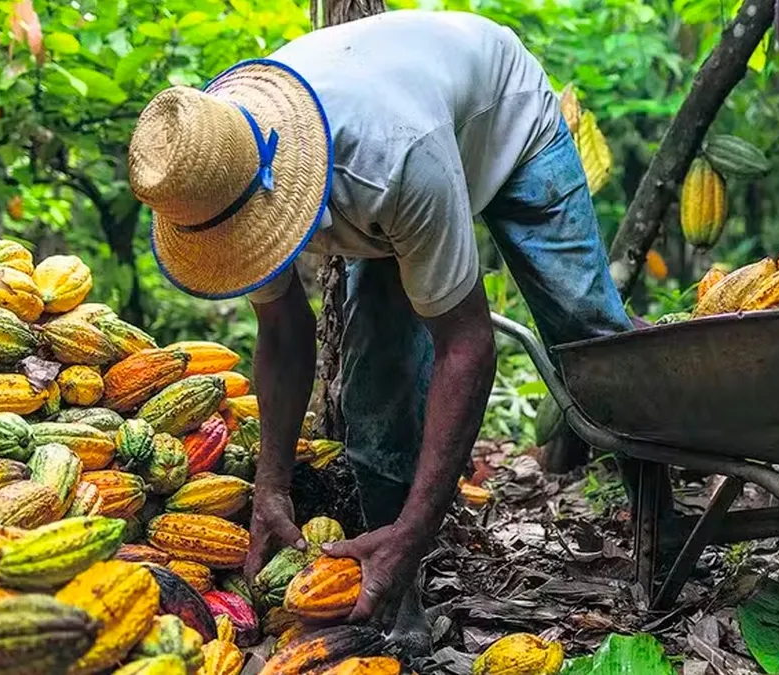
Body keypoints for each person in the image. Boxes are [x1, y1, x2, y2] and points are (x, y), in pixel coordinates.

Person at [127, 8, 642, 656]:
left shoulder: (392, 159)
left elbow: (467, 347)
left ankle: (656, 518)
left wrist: (417, 531)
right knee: (378, 383)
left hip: (505, 118)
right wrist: (271, 485)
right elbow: (283, 334)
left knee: (589, 336)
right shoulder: (210, 169)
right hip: (387, 153)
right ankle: (397, 593)